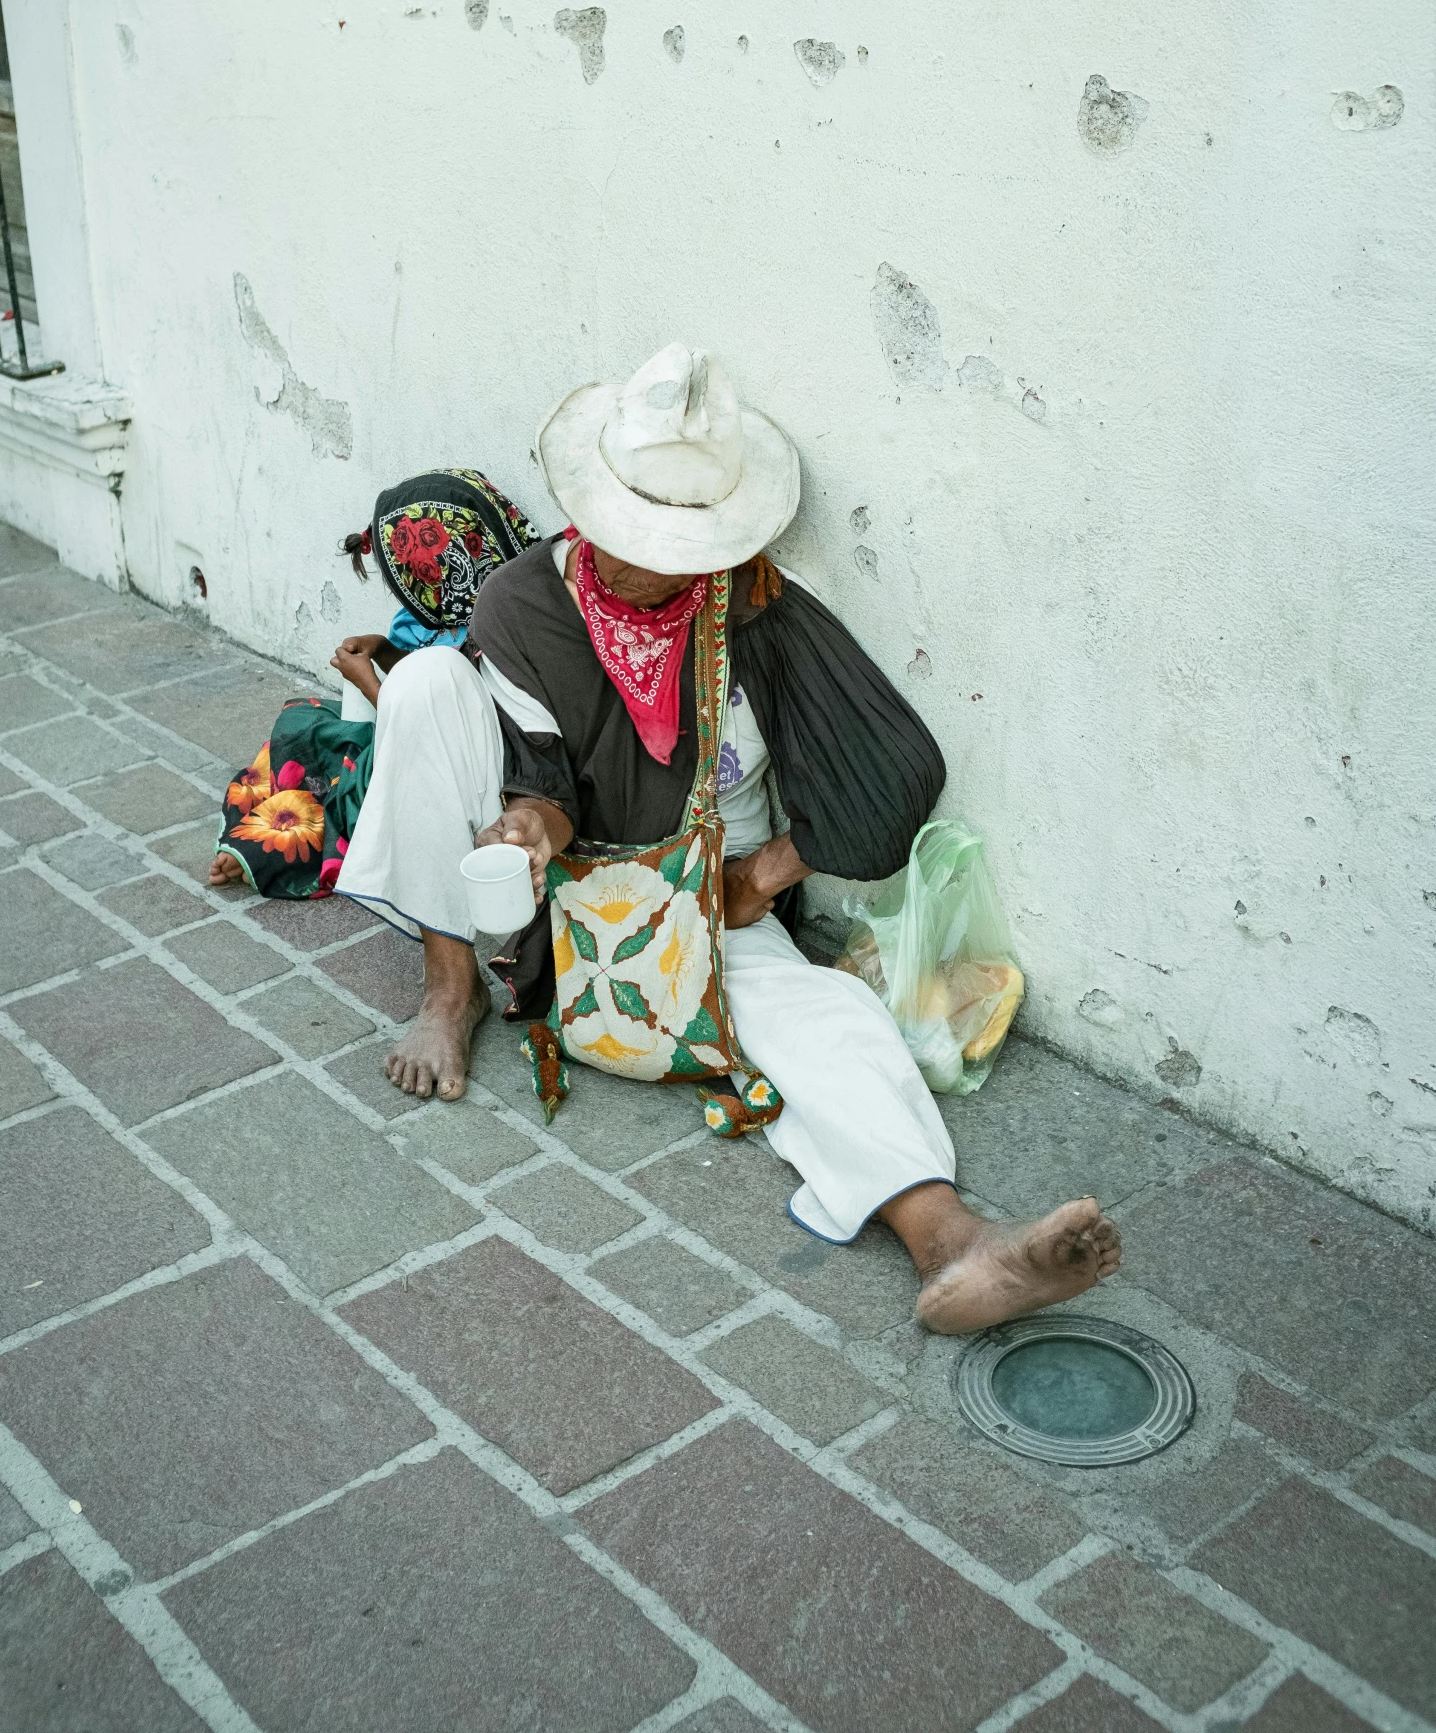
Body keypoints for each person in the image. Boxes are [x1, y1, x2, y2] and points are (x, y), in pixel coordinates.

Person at [335, 345, 1122, 1335]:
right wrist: (525, 828)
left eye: (679, 539)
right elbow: (540, 777)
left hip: (705, 907)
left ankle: (951, 1243)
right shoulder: (523, 602)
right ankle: (448, 994)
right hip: (568, 900)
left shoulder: (749, 601)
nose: (652, 562)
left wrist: (765, 871)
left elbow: (897, 764)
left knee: (827, 1022)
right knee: (421, 684)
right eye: (632, 531)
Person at [208, 470, 536, 898]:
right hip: (399, 729)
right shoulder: (436, 615)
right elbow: (415, 671)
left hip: (445, 768)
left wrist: (371, 688)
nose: (413, 589)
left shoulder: (503, 633)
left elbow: (438, 736)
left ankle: (280, 843)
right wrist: (382, 650)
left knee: (360, 781)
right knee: (304, 722)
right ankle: (286, 814)